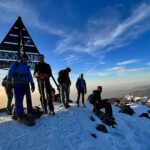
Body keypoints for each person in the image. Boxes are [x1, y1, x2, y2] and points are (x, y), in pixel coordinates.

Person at [7, 54, 35, 120]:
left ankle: (16, 113)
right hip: (17, 84)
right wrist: (9, 81)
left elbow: (29, 75)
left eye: (26, 59)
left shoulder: (26, 66)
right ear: (21, 58)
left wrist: (32, 83)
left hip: (26, 84)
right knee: (19, 98)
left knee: (23, 99)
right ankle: (20, 114)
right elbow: (10, 72)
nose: (25, 59)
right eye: (24, 58)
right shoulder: (15, 64)